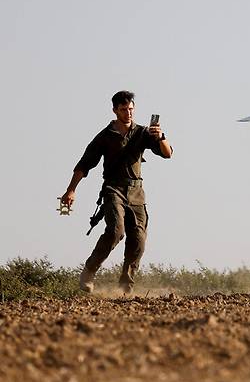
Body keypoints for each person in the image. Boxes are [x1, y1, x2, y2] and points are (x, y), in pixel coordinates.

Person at [60, 91, 173, 294]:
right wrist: (71, 190)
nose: (128, 113)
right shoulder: (105, 136)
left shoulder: (142, 133)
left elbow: (167, 154)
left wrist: (161, 136)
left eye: (131, 109)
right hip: (114, 189)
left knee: (138, 239)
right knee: (115, 231)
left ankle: (125, 286)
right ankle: (89, 271)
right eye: (123, 110)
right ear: (115, 110)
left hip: (137, 192)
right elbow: (84, 164)